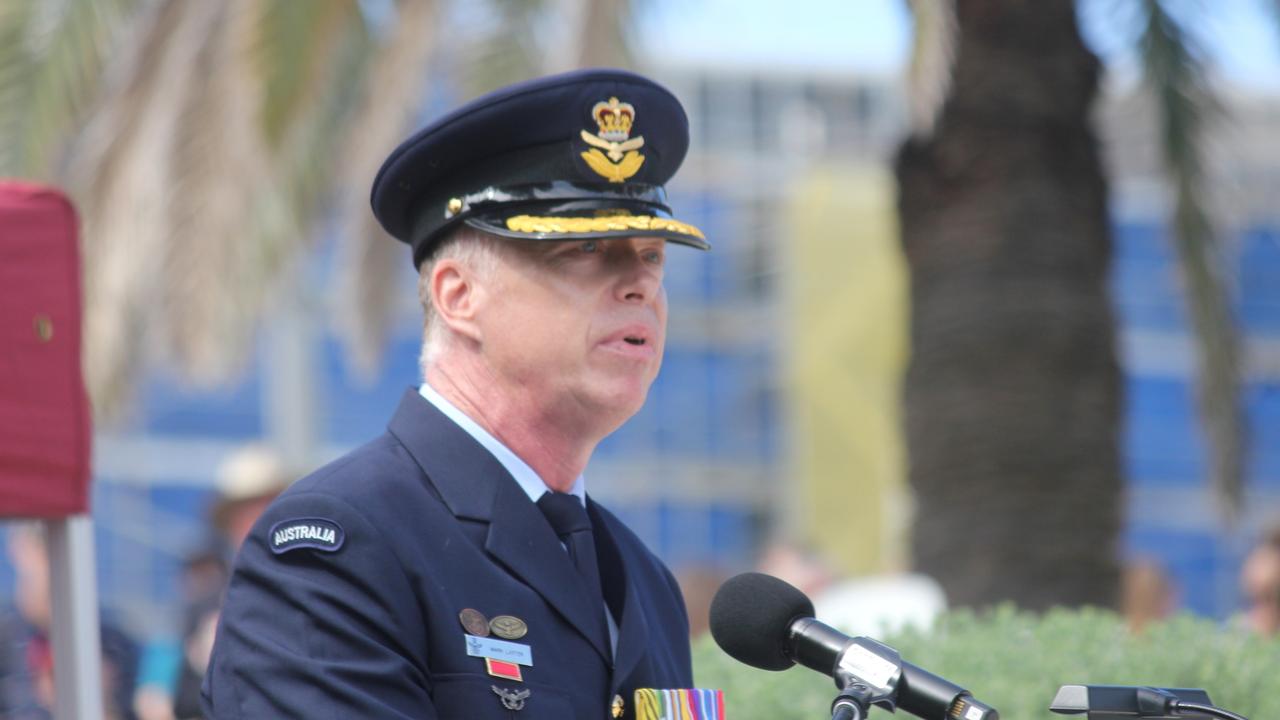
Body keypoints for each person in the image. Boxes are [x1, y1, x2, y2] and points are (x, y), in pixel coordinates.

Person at [202, 68, 709, 719]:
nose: (640, 284)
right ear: (458, 296)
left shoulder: (641, 576)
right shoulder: (337, 546)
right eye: (584, 251)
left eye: (652, 256)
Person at [0, 523, 140, 720]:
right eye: (40, 549)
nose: (47, 567)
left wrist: (100, 699)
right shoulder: (7, 636)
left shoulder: (111, 641)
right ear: (16, 551)